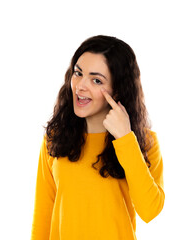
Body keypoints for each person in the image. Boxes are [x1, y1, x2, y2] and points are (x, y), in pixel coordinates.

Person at [31, 35, 165, 240]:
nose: (80, 86)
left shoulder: (143, 142)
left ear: (118, 89)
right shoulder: (55, 138)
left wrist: (125, 139)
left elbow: (150, 210)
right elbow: (43, 215)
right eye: (78, 73)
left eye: (96, 80)